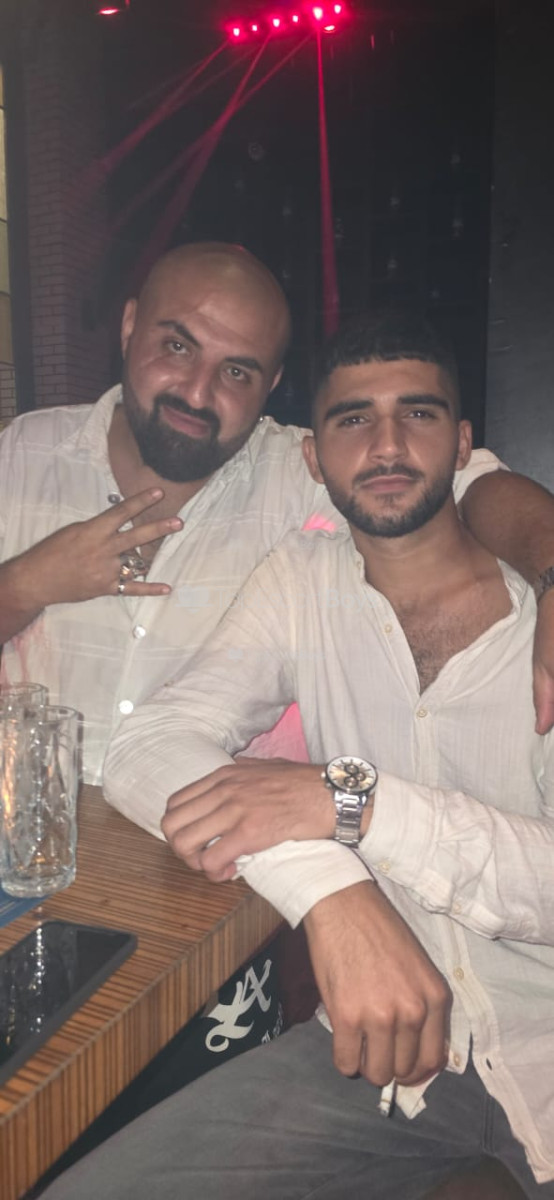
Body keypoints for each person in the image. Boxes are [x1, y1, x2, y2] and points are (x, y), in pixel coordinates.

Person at [43, 312, 554, 1199]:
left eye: (418, 414)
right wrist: (331, 889)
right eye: (354, 419)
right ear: (315, 459)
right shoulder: (302, 581)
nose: (386, 444)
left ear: (465, 445)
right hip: (386, 1057)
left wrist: (351, 800)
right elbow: (149, 743)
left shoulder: (539, 617)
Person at [1, 243, 554, 786]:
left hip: (207, 837)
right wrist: (25, 584)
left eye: (237, 372)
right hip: (24, 821)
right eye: (177, 346)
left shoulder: (307, 468)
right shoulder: (24, 450)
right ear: (129, 327)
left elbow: (465, 487)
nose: (198, 392)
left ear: (271, 384)